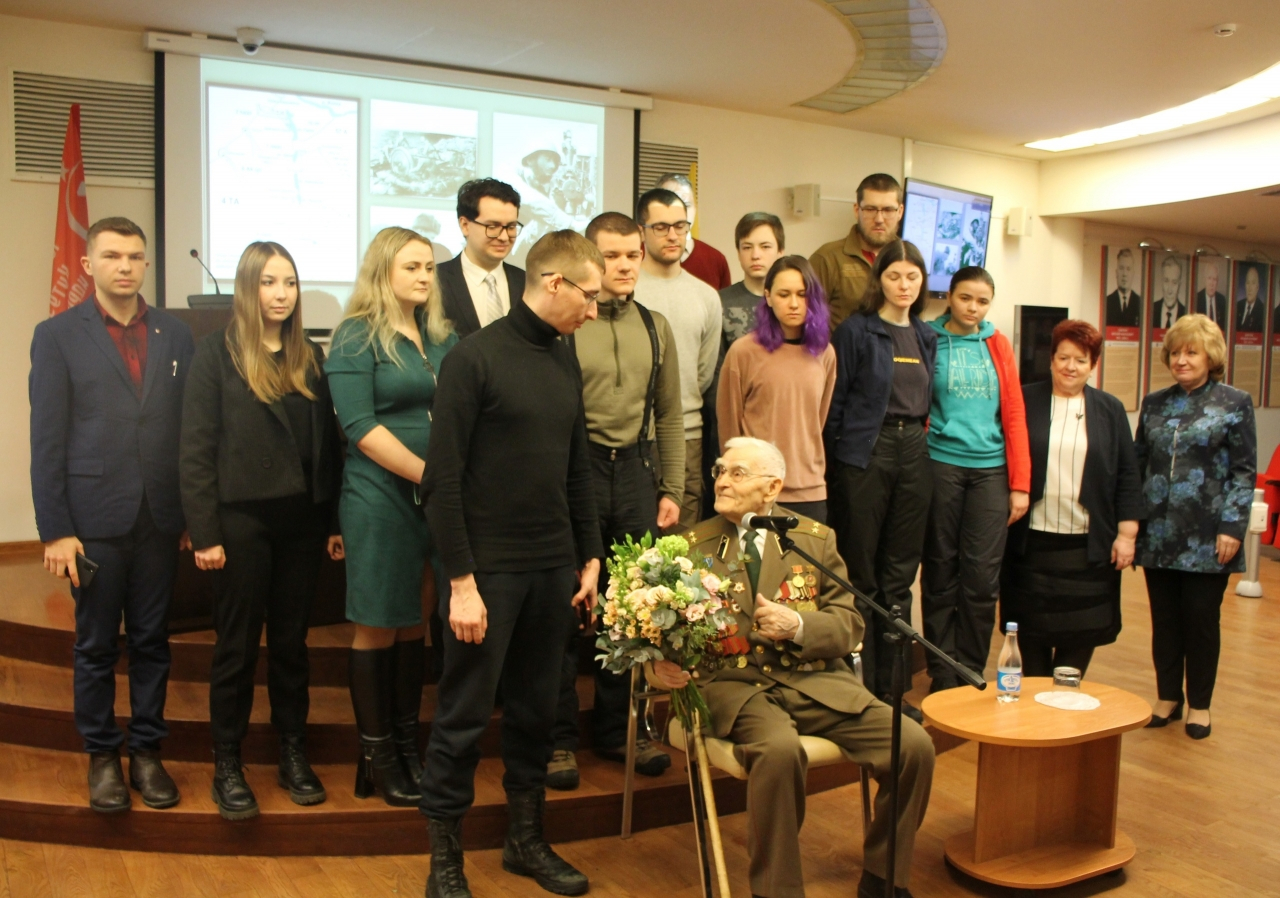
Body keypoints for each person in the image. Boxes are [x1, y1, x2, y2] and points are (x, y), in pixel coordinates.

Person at [648, 437, 934, 898]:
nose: (722, 481)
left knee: (913, 745)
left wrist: (799, 625)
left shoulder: (812, 540)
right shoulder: (689, 546)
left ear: (773, 487)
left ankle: (884, 878)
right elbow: (656, 636)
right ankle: (775, 890)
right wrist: (656, 669)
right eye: (720, 470)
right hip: (735, 687)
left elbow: (850, 624)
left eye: (737, 473)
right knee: (780, 753)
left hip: (815, 681)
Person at [420, 230, 605, 898]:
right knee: (464, 718)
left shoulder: (563, 357)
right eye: (589, 296)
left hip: (553, 568)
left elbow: (576, 466)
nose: (594, 311)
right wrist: (461, 584)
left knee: (535, 714)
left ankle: (525, 842)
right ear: (555, 282)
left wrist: (589, 555)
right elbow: (441, 482)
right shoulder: (473, 359)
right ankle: (444, 863)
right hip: (487, 574)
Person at [29, 216, 194, 813]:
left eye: (135, 256)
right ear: (89, 264)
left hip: (160, 517)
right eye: (112, 256)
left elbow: (188, 431)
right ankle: (102, 755)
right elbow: (47, 439)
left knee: (152, 641)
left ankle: (147, 752)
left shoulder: (175, 334)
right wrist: (56, 530)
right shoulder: (57, 335)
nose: (125, 266)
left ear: (146, 263)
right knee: (97, 643)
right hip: (93, 518)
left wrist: (192, 513)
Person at [180, 241, 344, 819]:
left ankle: (292, 752)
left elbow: (328, 447)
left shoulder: (309, 355)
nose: (281, 294)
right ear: (248, 289)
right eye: (269, 283)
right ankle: (228, 762)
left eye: (290, 283)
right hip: (241, 521)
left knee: (292, 645)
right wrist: (204, 532)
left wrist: (332, 520)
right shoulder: (215, 354)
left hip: (301, 522)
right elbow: (195, 448)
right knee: (237, 646)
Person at [547, 212, 684, 790]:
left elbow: (670, 413)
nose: (624, 265)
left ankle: (619, 731)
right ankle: (558, 740)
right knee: (563, 609)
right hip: (574, 472)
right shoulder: (566, 326)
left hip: (634, 474)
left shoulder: (655, 326)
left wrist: (673, 488)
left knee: (629, 611)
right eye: (611, 256)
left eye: (633, 254)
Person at [326, 227, 459, 806]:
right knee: (380, 622)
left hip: (434, 500)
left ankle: (406, 747)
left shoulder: (440, 335)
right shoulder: (356, 336)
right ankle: (377, 755)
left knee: (415, 621)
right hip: (379, 496)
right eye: (412, 267)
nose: (425, 276)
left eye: (429, 267)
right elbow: (359, 427)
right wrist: (430, 476)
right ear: (383, 271)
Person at [824, 240, 936, 718]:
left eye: (912, 277)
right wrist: (837, 463)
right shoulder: (856, 331)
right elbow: (834, 405)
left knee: (900, 577)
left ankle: (894, 693)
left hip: (914, 452)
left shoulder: (926, 335)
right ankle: (862, 691)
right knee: (862, 575)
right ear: (880, 280)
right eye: (895, 276)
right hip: (864, 453)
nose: (904, 285)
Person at [1001, 320, 1143, 679]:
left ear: (1093, 364)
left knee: (1078, 643)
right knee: (1030, 642)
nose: (1070, 367)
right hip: (1031, 546)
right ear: (1051, 359)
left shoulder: (1110, 409)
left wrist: (1127, 535)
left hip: (1088, 550)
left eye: (1080, 360)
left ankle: (1065, 701)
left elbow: (1128, 474)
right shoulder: (1024, 400)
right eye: (1063, 357)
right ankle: (1034, 704)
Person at [1135, 314, 1255, 740]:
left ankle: (1199, 704)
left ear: (1211, 357)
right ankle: (1168, 696)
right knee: (1165, 619)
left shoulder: (1234, 402)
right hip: (1158, 533)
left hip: (1209, 535)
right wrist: (1131, 522)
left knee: (1201, 620)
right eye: (1175, 353)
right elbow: (1138, 462)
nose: (1181, 360)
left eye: (1191, 352)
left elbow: (1243, 472)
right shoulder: (1154, 403)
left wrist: (1233, 527)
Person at [920, 267, 1031, 691]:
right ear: (949, 296)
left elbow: (1014, 412)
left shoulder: (997, 343)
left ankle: (969, 671)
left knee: (982, 579)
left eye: (982, 301)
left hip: (991, 471)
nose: (973, 308)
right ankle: (941, 671)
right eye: (965, 298)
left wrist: (1020, 484)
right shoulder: (928, 338)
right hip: (940, 465)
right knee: (940, 572)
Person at [717, 256, 836, 522]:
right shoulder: (743, 352)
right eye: (784, 294)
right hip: (755, 489)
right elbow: (729, 429)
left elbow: (817, 421)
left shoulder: (825, 353)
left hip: (809, 489)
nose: (794, 303)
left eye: (802, 294)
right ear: (768, 297)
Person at [633, 187, 722, 529]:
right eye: (661, 227)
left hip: (686, 436)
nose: (673, 235)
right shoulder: (628, 288)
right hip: (633, 437)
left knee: (683, 540)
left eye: (680, 226)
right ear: (641, 230)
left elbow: (703, 374)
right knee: (632, 539)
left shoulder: (706, 297)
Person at [810, 173, 904, 332]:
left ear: (900, 212)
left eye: (888, 210)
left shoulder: (908, 259)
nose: (879, 219)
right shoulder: (827, 258)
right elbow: (808, 321)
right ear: (856, 210)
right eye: (870, 209)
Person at [435, 178, 526, 337]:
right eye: (493, 227)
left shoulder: (527, 283)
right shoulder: (435, 281)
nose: (504, 237)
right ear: (465, 225)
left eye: (511, 227)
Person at [720, 212, 786, 354]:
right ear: (738, 253)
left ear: (780, 251)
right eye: (747, 247)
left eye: (765, 247)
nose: (755, 255)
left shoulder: (795, 301)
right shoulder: (719, 302)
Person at [656, 173, 731, 290]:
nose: (681, 212)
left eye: (687, 205)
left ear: (695, 209)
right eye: (672, 204)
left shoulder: (715, 260)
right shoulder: (637, 255)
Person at [1105, 247, 1143, 328]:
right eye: (1121, 268)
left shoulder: (1140, 303)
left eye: (1128, 269)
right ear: (1116, 272)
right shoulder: (1107, 302)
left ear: (1133, 273)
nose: (1124, 274)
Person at [1151, 255, 1187, 329]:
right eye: (1166, 281)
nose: (1169, 290)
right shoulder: (1151, 310)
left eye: (1174, 282)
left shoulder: (1186, 314)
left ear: (1180, 284)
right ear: (1161, 281)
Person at [1193, 259, 1226, 327]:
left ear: (1217, 282)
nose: (1212, 283)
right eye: (1209, 278)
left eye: (1214, 279)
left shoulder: (1222, 301)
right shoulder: (1196, 299)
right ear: (1204, 279)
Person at [1236, 264, 1265, 333]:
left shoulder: (1263, 311)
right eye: (1248, 283)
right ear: (1245, 285)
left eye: (1253, 283)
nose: (1250, 288)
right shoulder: (1237, 306)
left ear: (1257, 287)